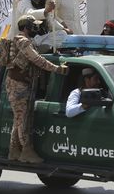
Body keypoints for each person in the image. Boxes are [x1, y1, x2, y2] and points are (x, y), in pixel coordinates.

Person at [5, 14, 68, 163]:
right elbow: (36, 59)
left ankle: (14, 151)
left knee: (19, 118)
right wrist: (57, 69)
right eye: (34, 26)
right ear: (26, 27)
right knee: (23, 118)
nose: (37, 28)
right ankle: (26, 151)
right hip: (18, 84)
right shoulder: (23, 41)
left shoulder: (26, 41)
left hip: (20, 83)